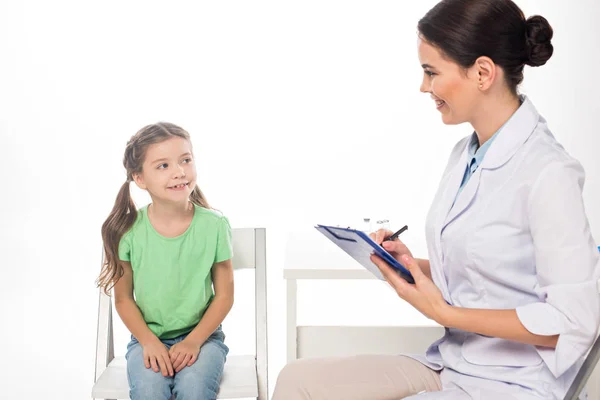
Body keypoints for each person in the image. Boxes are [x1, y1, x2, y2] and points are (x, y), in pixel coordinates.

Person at [272, 0, 600, 399]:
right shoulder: (467, 152)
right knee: (297, 382)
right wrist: (407, 263)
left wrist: (444, 313)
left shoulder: (549, 173)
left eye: (431, 72)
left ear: (482, 72)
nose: (424, 87)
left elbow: (574, 322)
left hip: (516, 382)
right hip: (453, 364)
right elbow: (480, 274)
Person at [97, 122, 234, 400]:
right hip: (147, 339)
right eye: (163, 166)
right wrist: (148, 342)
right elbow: (123, 299)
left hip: (204, 338)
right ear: (140, 178)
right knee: (149, 392)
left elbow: (225, 295)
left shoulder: (215, 225)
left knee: (194, 388)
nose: (179, 172)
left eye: (185, 160)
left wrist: (194, 341)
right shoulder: (129, 231)